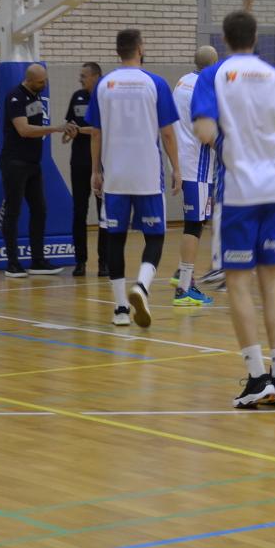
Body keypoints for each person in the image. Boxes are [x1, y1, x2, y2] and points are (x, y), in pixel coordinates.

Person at [192, 9, 275, 409]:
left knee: (239, 285)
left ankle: (258, 378)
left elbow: (204, 130)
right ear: (256, 38)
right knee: (272, 286)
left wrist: (228, 139)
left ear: (224, 40)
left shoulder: (213, 75)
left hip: (239, 193)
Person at [87, 29, 182, 329]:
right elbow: (167, 132)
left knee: (115, 239)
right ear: (141, 49)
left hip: (115, 176)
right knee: (155, 237)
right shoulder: (156, 83)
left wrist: (95, 170)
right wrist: (176, 168)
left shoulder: (104, 85)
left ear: (118, 51)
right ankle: (141, 286)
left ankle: (120, 310)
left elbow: (96, 133)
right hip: (147, 175)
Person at [0, 63, 76, 279]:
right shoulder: (15, 97)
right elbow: (24, 130)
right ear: (29, 80)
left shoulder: (37, 96)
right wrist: (56, 128)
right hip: (14, 163)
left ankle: (38, 260)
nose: (45, 84)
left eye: (46, 80)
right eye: (41, 82)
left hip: (33, 163)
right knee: (12, 212)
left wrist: (64, 132)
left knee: (40, 210)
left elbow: (37, 127)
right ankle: (12, 264)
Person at [169, 45, 219, 307]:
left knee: (195, 222)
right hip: (197, 165)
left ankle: (181, 273)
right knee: (195, 224)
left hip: (182, 160)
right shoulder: (205, 89)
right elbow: (206, 133)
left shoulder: (182, 82)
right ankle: (184, 289)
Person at [62, 62, 105, 277]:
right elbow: (71, 125)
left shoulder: (106, 98)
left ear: (96, 77)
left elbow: (102, 130)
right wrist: (68, 133)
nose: (80, 80)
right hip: (78, 163)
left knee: (104, 213)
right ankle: (80, 261)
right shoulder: (77, 96)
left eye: (84, 76)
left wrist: (79, 131)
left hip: (102, 164)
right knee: (79, 212)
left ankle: (104, 263)